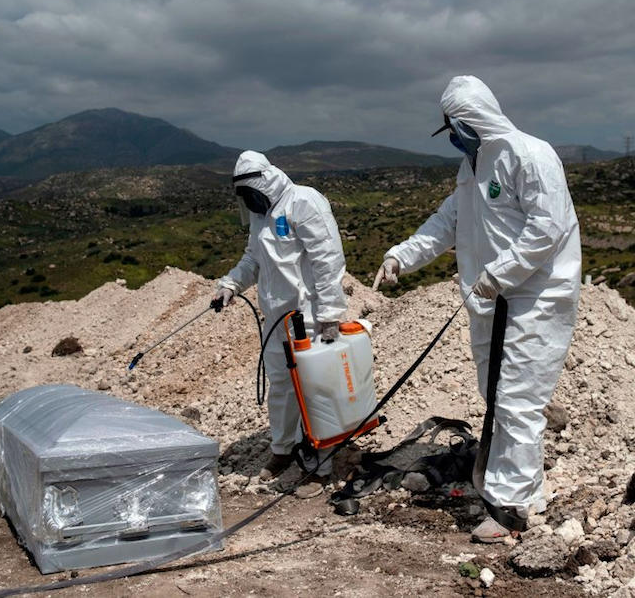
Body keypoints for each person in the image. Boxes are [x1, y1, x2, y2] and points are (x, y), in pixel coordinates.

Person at [373, 76, 581, 542]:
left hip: (534, 300)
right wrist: (400, 257)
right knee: (497, 397)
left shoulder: (530, 155)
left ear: (473, 121)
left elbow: (548, 228)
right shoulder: (472, 168)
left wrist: (500, 272)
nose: (453, 137)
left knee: (518, 401)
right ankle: (521, 487)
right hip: (490, 300)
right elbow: (447, 222)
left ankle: (513, 508)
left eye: (456, 127)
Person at [214, 150, 347, 499]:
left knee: (315, 390)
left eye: (251, 194)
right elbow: (252, 259)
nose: (250, 202)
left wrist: (331, 313)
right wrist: (230, 284)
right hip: (276, 321)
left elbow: (328, 258)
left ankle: (323, 463)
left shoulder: (303, 201)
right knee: (281, 388)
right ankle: (283, 449)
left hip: (311, 319)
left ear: (264, 182)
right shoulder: (261, 217)